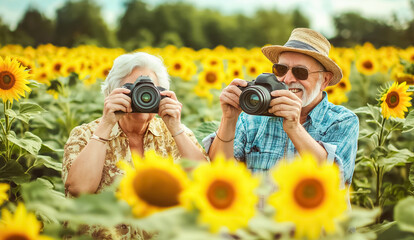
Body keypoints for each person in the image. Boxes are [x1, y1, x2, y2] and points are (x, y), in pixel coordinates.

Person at [62, 52, 207, 239]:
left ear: (162, 94)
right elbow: (79, 189)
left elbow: (203, 181)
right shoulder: (85, 135)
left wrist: (175, 127)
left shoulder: (174, 135)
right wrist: (106, 124)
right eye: (133, 90)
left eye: (150, 90)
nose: (143, 96)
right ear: (111, 94)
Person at [204, 28, 359, 188]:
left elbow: (335, 179)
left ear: (325, 80)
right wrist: (228, 119)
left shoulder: (342, 120)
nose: (288, 79)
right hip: (259, 213)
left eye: (300, 72)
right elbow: (219, 171)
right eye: (281, 69)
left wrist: (294, 127)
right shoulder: (253, 117)